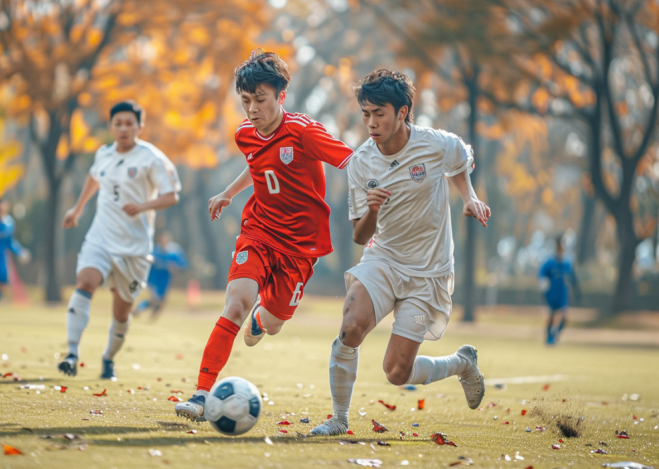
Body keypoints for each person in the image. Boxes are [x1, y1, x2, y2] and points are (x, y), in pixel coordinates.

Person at [175, 50, 355, 421]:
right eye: (245, 101)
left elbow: (352, 159)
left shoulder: (304, 132)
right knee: (236, 303)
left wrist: (376, 190)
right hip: (258, 232)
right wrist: (229, 192)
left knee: (272, 324)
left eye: (260, 100)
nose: (252, 109)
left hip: (301, 247)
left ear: (280, 97)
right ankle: (200, 394)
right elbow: (257, 165)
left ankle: (262, 319)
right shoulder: (244, 134)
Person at [310, 70, 492, 436]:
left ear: (403, 112)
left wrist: (469, 197)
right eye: (366, 114)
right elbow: (361, 236)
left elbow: (459, 161)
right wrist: (373, 210)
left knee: (396, 372)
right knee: (350, 326)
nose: (371, 123)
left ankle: (461, 364)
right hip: (384, 259)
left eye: (379, 113)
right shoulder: (361, 163)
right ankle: (338, 419)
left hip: (429, 271)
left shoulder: (436, 143)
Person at [59, 100, 181, 380]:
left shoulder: (151, 158)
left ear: (140, 126)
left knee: (122, 312)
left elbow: (171, 195)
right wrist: (77, 210)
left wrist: (142, 206)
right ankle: (72, 353)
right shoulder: (103, 154)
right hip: (100, 238)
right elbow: (94, 178)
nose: (123, 128)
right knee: (85, 282)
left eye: (129, 123)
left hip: (134, 249)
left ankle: (108, 358)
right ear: (111, 126)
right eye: (118, 123)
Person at [134, 231, 188, 320]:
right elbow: (145, 261)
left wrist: (175, 267)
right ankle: (140, 310)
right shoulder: (154, 251)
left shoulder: (174, 252)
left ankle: (146, 311)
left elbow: (183, 264)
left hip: (165, 280)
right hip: (152, 279)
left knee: (161, 301)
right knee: (155, 299)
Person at [539, 236, 581, 345]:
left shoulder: (567, 264)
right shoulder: (550, 263)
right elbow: (542, 274)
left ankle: (555, 335)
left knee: (564, 316)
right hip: (552, 293)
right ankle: (549, 337)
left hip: (563, 294)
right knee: (551, 315)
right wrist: (543, 286)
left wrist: (577, 290)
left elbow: (573, 278)